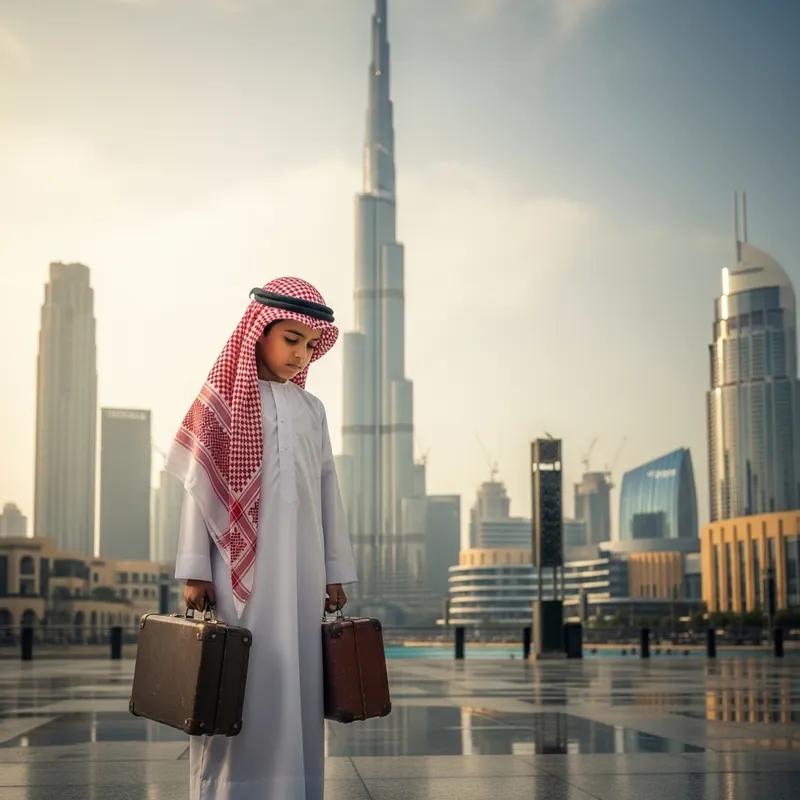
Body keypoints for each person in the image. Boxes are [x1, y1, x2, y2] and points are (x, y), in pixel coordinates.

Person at [167, 276, 358, 800]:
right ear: (258, 333)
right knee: (237, 682)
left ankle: (293, 787)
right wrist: (195, 570)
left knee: (296, 677)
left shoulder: (312, 410)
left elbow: (326, 492)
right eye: (290, 339)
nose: (300, 354)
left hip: (302, 569)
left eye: (310, 345)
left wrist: (336, 571)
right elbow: (198, 489)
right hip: (236, 569)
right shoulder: (221, 401)